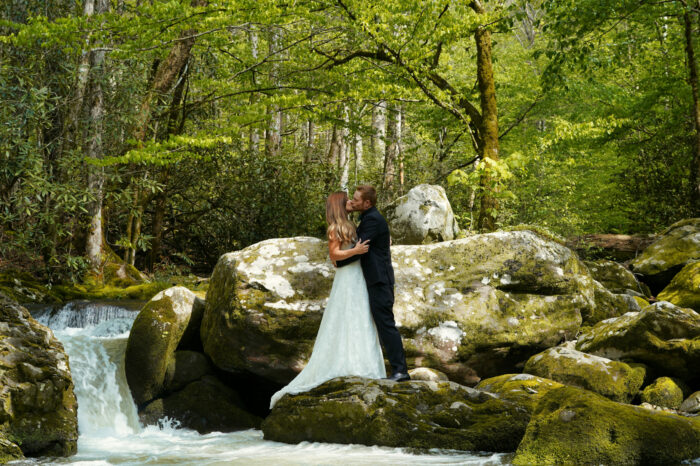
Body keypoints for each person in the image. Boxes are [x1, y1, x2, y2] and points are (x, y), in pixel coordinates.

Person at [269, 191, 386, 409]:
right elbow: (334, 257)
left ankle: (363, 363)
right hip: (347, 277)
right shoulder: (334, 228)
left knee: (360, 317)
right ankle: (346, 364)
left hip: (358, 276)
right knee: (346, 316)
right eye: (348, 200)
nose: (351, 202)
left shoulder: (351, 225)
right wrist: (356, 250)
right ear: (340, 205)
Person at [335, 185, 410, 382]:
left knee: (386, 324)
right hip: (375, 280)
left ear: (367, 203)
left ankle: (400, 371)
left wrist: (339, 262)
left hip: (380, 281)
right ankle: (396, 369)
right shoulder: (368, 217)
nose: (353, 201)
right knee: (382, 324)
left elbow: (361, 248)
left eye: (356, 199)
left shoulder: (373, 220)